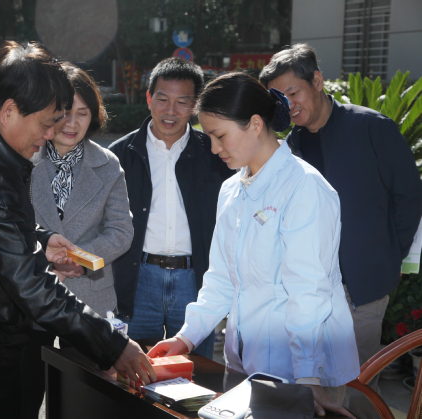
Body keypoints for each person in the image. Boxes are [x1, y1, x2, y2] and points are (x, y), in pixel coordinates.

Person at [0, 41, 156, 419]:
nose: (50, 134)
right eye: (46, 123)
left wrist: (40, 237)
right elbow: (29, 284)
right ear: (9, 110)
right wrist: (113, 345)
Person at [149, 72, 359, 419]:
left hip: (301, 370)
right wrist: (186, 338)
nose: (214, 148)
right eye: (209, 137)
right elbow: (221, 278)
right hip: (244, 362)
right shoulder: (232, 190)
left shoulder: (304, 188)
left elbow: (309, 290)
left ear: (256, 124)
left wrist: (307, 376)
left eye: (219, 136)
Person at [259, 43, 422, 418]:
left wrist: (389, 256)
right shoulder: (291, 146)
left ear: (317, 81)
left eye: (294, 92)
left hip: (361, 287)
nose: (289, 105)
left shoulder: (373, 128)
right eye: (280, 99)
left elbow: (409, 198)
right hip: (309, 288)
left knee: (355, 382)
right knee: (315, 383)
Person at [22, 63, 133, 418]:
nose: (72, 123)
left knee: (85, 401)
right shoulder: (24, 157)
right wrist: (47, 258)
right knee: (25, 394)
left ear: (94, 116)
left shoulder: (108, 164)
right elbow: (12, 225)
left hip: (91, 298)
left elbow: (121, 231)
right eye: (64, 112)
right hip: (31, 297)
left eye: (82, 113)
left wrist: (80, 261)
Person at [109, 57, 235, 359]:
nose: (170, 111)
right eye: (163, 99)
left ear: (195, 105)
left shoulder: (216, 154)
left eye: (182, 102)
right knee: (136, 368)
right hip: (138, 279)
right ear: (149, 99)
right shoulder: (120, 154)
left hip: (195, 281)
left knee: (196, 370)